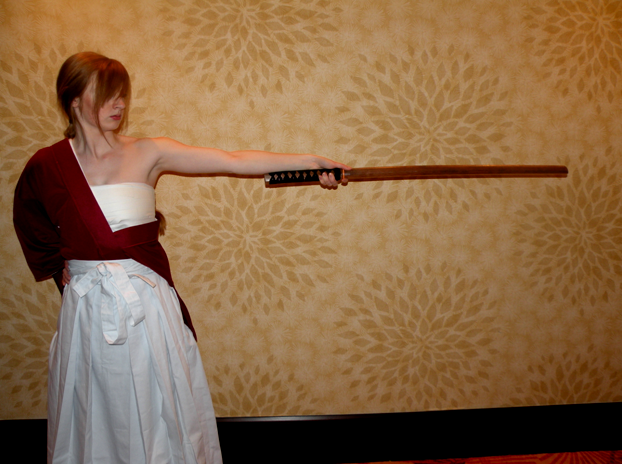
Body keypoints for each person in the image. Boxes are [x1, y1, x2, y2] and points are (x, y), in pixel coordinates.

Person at [13, 51, 349, 464]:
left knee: (158, 404)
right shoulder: (47, 165)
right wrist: (56, 266)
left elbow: (232, 160)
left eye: (122, 95)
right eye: (107, 95)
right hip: (87, 309)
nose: (120, 104)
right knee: (94, 407)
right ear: (74, 99)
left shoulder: (148, 151)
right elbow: (28, 215)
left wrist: (311, 163)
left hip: (148, 304)